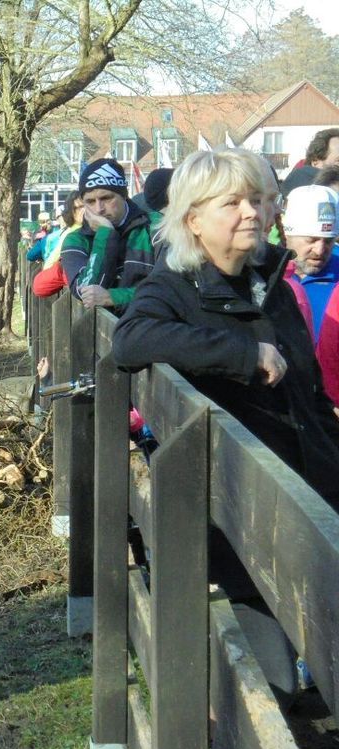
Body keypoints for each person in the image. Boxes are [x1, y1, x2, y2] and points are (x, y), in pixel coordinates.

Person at [112, 147, 339, 696]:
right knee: (273, 689)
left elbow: (306, 396)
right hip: (246, 509)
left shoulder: (269, 281)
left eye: (258, 201)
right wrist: (242, 353)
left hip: (306, 484)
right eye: (232, 202)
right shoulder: (176, 286)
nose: (251, 214)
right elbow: (130, 338)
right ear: (193, 219)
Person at [59, 158, 156, 311]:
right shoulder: (76, 239)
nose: (99, 209)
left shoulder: (154, 227)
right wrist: (106, 234)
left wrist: (114, 297)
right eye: (90, 201)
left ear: (124, 195)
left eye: (106, 198)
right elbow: (85, 291)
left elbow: (171, 290)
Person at [282, 184, 339, 341]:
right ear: (287, 234)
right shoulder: (265, 273)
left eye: (328, 241)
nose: (320, 250)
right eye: (311, 240)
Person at [32, 191, 83, 298]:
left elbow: (31, 255)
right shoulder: (54, 235)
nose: (84, 211)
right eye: (79, 208)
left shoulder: (53, 236)